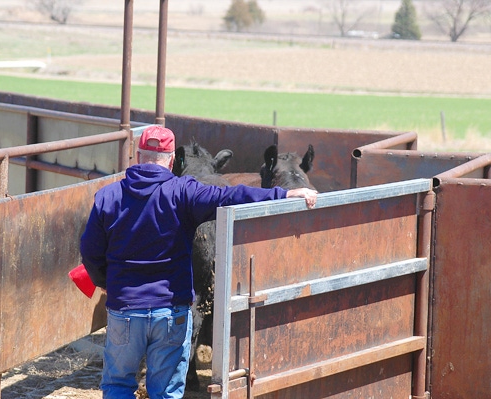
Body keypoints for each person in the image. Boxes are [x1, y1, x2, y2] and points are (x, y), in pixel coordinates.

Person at [79, 125, 317, 399]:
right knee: (166, 391)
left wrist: (106, 283)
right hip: (170, 310)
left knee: (118, 386)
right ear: (171, 159)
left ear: (138, 154)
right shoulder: (184, 192)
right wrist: (284, 194)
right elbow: (231, 196)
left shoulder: (108, 196)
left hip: (125, 310)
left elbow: (90, 251)